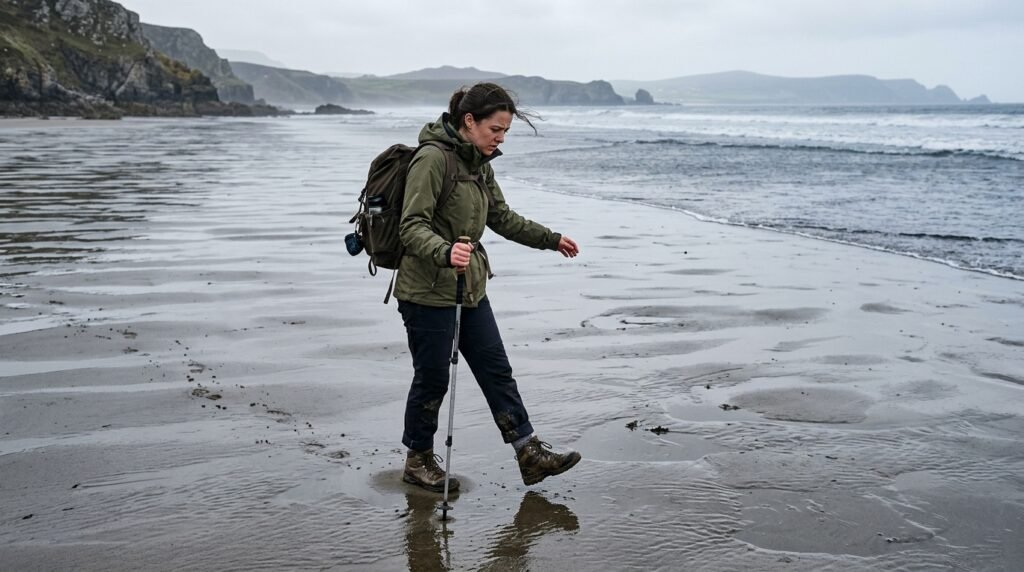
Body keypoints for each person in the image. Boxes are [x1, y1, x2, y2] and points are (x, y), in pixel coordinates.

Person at [395, 82, 581, 492]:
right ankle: (417, 460)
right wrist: (445, 251)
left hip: (470, 288)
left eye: (505, 131)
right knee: (432, 379)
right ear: (469, 121)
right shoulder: (432, 159)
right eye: (496, 129)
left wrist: (551, 239)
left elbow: (502, 217)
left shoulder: (480, 164)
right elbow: (411, 226)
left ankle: (528, 453)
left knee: (497, 371)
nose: (501, 138)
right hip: (426, 291)